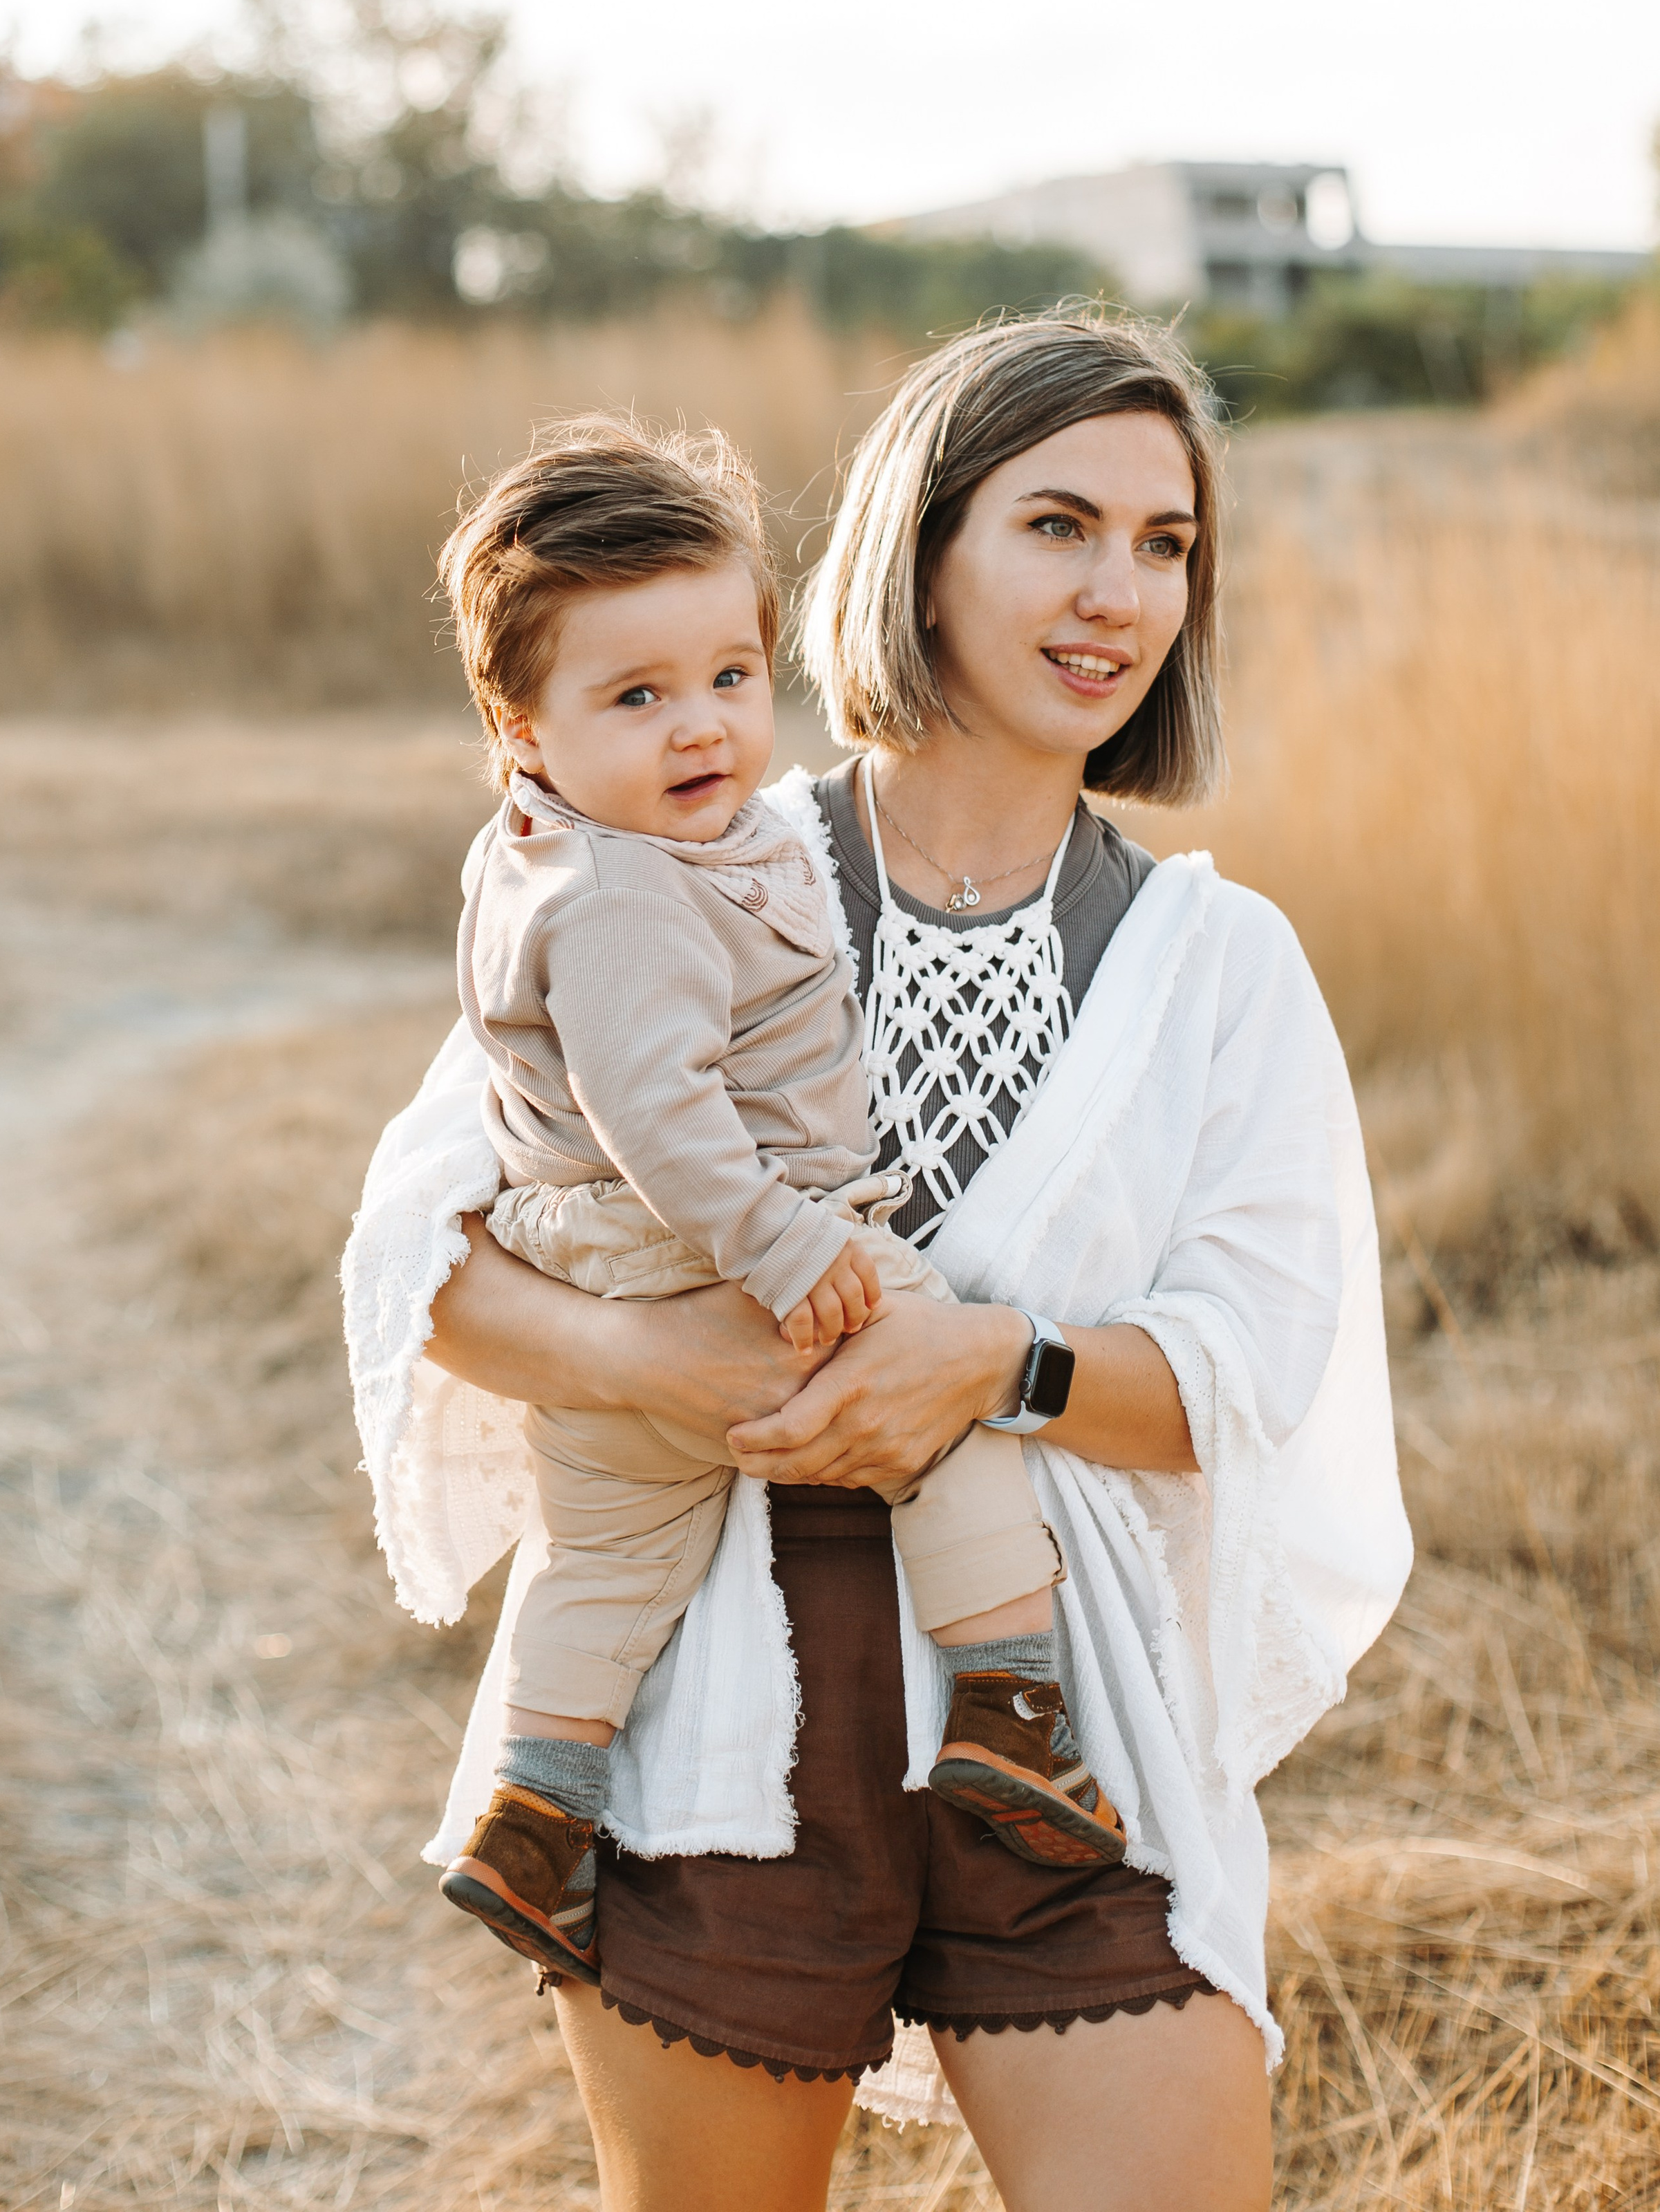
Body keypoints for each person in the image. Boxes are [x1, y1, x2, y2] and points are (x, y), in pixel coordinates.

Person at [342, 308, 1412, 2212]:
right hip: (719, 1708)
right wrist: (668, 1374)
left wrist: (992, 1366)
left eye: (1168, 545)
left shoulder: (1215, 963)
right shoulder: (668, 848)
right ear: (922, 548)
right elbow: (427, 1256)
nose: (1120, 594)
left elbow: (1247, 1383)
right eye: (1059, 524)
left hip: (1056, 1728)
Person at [428, 423, 1122, 1984]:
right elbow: (661, 1116)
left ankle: (535, 1815)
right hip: (698, 1238)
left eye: (730, 678)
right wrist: (792, 1245)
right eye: (635, 697)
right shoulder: (622, 898)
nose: (702, 731)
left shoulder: (557, 849)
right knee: (934, 1395)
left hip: (596, 1269)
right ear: (518, 722)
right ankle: (1012, 1703)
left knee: (608, 1561)